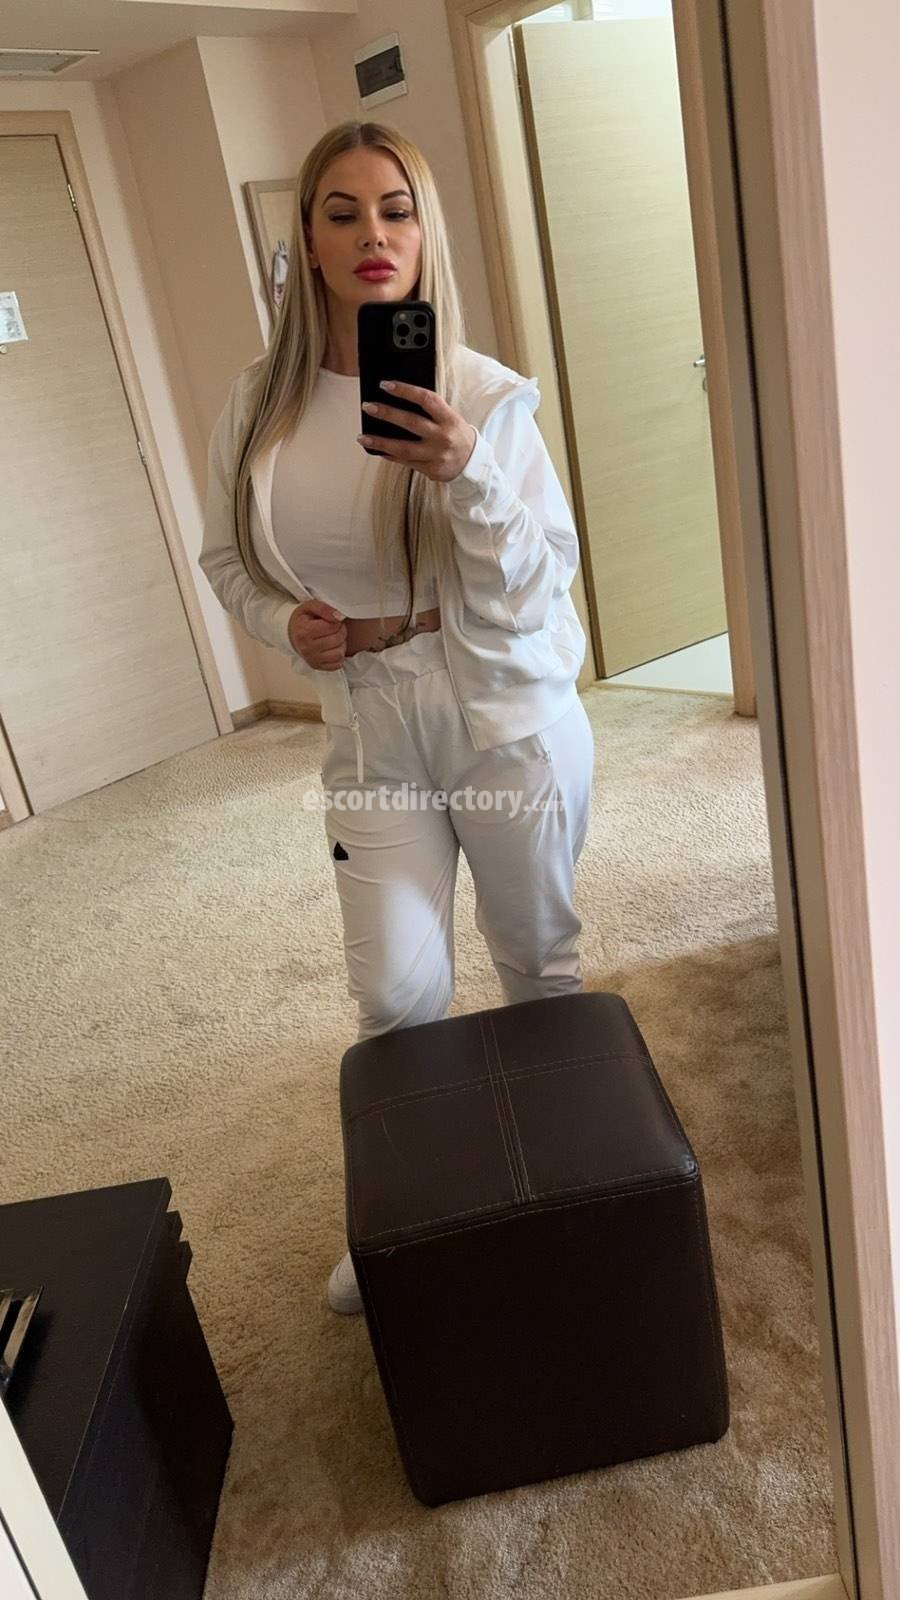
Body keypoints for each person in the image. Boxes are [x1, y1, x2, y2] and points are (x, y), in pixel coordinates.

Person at [200, 121, 594, 1316]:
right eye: (342, 212)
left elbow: (540, 586)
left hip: (501, 712)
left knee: (538, 964)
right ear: (307, 243)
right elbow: (227, 561)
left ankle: (578, 1191)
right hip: (369, 720)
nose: (372, 234)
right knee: (393, 991)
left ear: (425, 234)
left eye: (396, 209)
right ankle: (417, 1215)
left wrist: (467, 468)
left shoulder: (485, 395)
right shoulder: (256, 407)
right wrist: (284, 625)